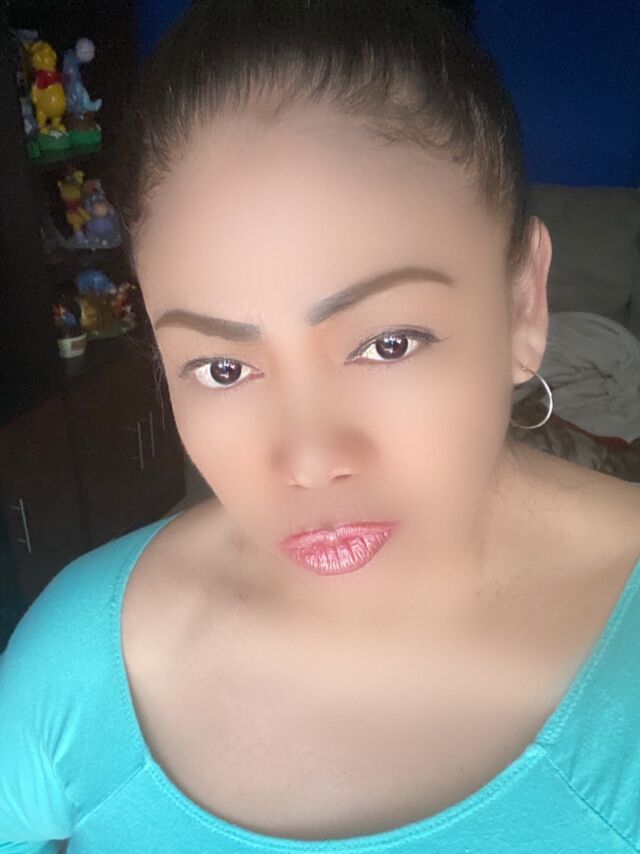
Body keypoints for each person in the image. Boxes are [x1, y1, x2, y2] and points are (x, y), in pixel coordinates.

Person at [2, 2, 639, 851]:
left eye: (388, 343)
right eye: (222, 368)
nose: (307, 461)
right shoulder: (78, 664)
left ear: (523, 302)